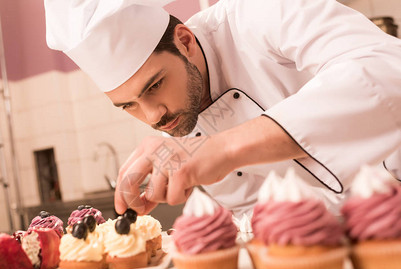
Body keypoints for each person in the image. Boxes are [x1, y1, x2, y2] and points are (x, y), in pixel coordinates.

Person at [44, 0, 401, 218]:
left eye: (154, 86)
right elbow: (252, 216)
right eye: (129, 106)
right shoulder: (179, 124)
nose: (153, 117)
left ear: (184, 41)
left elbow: (386, 71)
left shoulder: (257, 13)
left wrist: (223, 148)